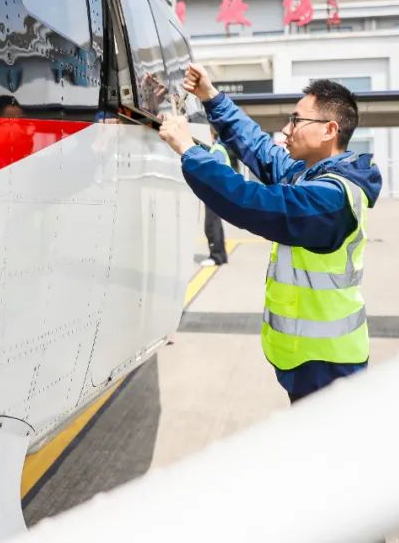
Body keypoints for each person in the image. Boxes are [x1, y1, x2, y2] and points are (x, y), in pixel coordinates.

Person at [158, 64, 382, 404]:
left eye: (297, 120)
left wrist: (189, 150)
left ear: (329, 130)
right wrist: (211, 97)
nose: (286, 129)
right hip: (309, 358)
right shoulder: (307, 175)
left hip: (328, 365)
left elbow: (250, 202)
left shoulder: (331, 198)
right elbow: (258, 148)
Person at [201, 129, 230, 267]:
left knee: (210, 225)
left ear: (210, 135)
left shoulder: (216, 149)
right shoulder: (218, 149)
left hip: (215, 192)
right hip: (218, 192)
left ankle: (216, 256)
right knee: (216, 225)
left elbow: (214, 171)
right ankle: (221, 255)